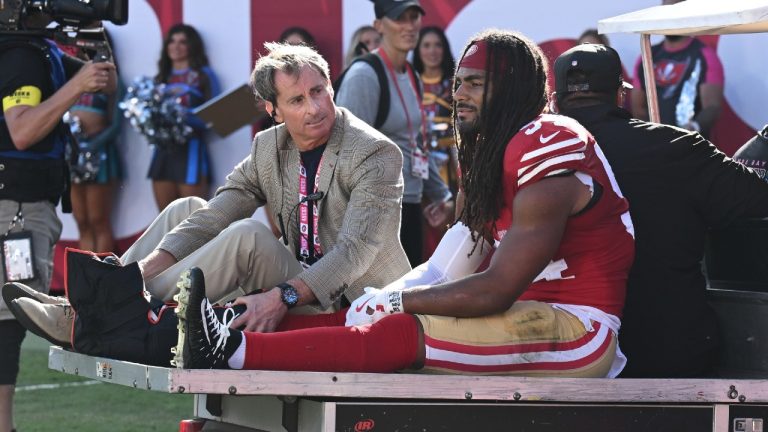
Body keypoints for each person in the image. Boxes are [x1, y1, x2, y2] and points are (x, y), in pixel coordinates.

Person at [174, 30, 635, 379]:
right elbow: (445, 268)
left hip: (578, 331)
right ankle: (231, 332)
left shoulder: (547, 141)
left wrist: (396, 301)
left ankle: (232, 354)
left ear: (511, 88)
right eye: (459, 82)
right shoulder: (494, 152)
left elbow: (496, 287)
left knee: (399, 330)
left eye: (475, 83)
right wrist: (382, 301)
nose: (458, 95)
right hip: (526, 316)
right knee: (362, 312)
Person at [4, 42, 410, 365]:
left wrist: (281, 296)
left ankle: (100, 314)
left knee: (248, 236)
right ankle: (94, 301)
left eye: (318, 91)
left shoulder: (375, 153)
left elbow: (353, 254)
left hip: (352, 307)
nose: (315, 107)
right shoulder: (269, 145)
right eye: (298, 100)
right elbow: (218, 212)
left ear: (330, 87)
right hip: (295, 279)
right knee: (189, 208)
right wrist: (139, 272)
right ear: (273, 110)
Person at [551, 43, 768, 377]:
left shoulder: (525, 155)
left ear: (555, 99)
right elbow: (756, 197)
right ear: (621, 95)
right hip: (668, 351)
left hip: (558, 355)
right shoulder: (678, 147)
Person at [0, 12, 116, 432]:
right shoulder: (21, 56)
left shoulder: (39, 51)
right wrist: (76, 86)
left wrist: (95, 43)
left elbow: (106, 81)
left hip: (24, 203)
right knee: (9, 317)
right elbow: (23, 131)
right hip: (15, 207)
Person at [335, 0, 453, 266]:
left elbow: (415, 145)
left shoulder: (412, 74)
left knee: (404, 300)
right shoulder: (364, 75)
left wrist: (442, 195)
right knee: (376, 304)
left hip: (409, 205)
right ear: (379, 26)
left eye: (414, 17)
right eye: (400, 18)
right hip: (375, 214)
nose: (409, 26)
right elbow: (345, 153)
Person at [148, 23, 220, 211]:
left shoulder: (204, 75)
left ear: (192, 46)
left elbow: (216, 118)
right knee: (164, 222)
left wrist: (180, 115)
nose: (176, 46)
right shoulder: (161, 77)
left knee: (191, 223)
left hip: (192, 153)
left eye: (183, 42)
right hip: (163, 154)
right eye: (172, 41)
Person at [630, 0, 724, 138]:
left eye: (675, 10)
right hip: (654, 146)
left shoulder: (705, 55)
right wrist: (653, 137)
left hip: (691, 147)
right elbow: (638, 108)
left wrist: (692, 129)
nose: (670, 17)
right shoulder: (647, 55)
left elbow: (712, 107)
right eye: (666, 11)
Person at [66, 37, 124, 253]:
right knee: (81, 220)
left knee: (98, 219)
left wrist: (92, 146)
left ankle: (102, 275)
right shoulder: (70, 78)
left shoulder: (112, 81)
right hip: (73, 155)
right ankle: (86, 276)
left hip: (100, 156)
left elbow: (116, 124)